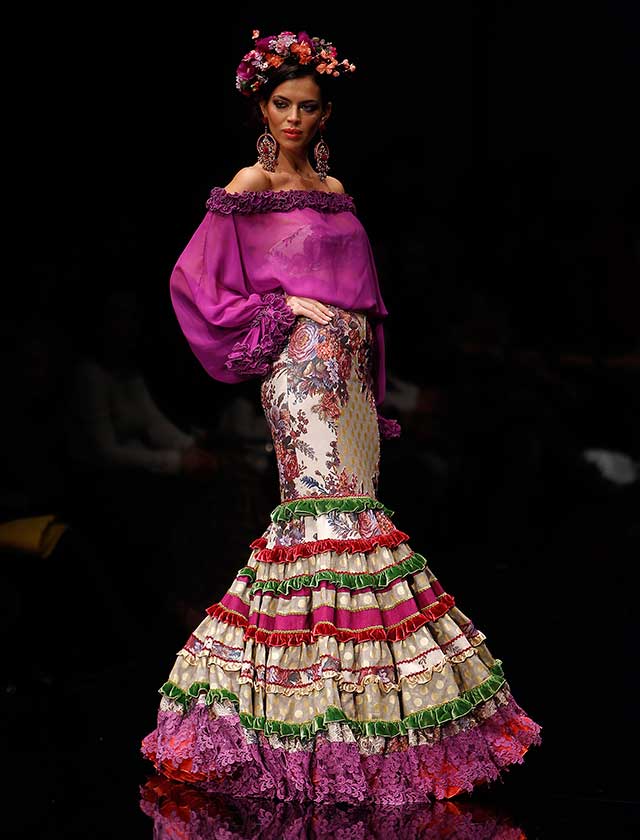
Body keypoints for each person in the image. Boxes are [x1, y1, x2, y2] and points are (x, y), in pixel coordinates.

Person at [140, 29, 542, 805]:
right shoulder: (250, 182)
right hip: (300, 374)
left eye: (308, 106)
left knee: (357, 525)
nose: (294, 118)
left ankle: (354, 721)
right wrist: (284, 305)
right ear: (261, 108)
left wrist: (349, 347)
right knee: (324, 526)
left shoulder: (333, 189)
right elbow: (194, 280)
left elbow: (362, 296)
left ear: (326, 114)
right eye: (282, 103)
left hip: (350, 379)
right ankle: (303, 726)